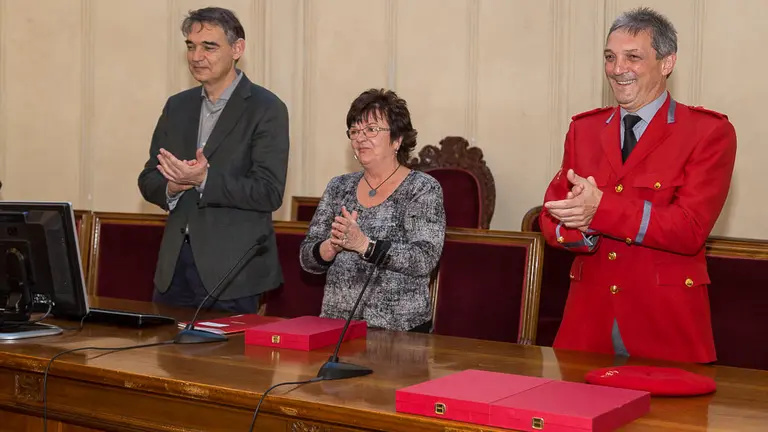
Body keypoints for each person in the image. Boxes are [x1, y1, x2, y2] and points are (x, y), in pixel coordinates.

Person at [539, 7, 737, 364]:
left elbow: (689, 229)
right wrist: (582, 227)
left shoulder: (707, 132)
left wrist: (600, 211)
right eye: (610, 57)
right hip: (588, 327)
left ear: (667, 62)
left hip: (665, 327)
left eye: (633, 57)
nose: (618, 69)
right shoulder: (584, 130)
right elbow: (551, 216)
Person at [138, 7, 289, 313]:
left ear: (237, 49)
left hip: (232, 271)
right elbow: (148, 178)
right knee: (164, 346)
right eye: (191, 46)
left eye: (209, 47)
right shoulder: (177, 107)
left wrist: (204, 180)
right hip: (173, 270)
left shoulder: (266, 108)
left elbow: (268, 192)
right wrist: (173, 186)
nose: (196, 57)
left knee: (224, 348)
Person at [299, 89, 445, 333]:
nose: (360, 138)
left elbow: (424, 258)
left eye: (371, 129)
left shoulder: (421, 188)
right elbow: (307, 258)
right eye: (355, 131)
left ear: (397, 140)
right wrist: (330, 247)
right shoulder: (339, 187)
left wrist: (365, 245)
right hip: (336, 326)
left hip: (400, 331)